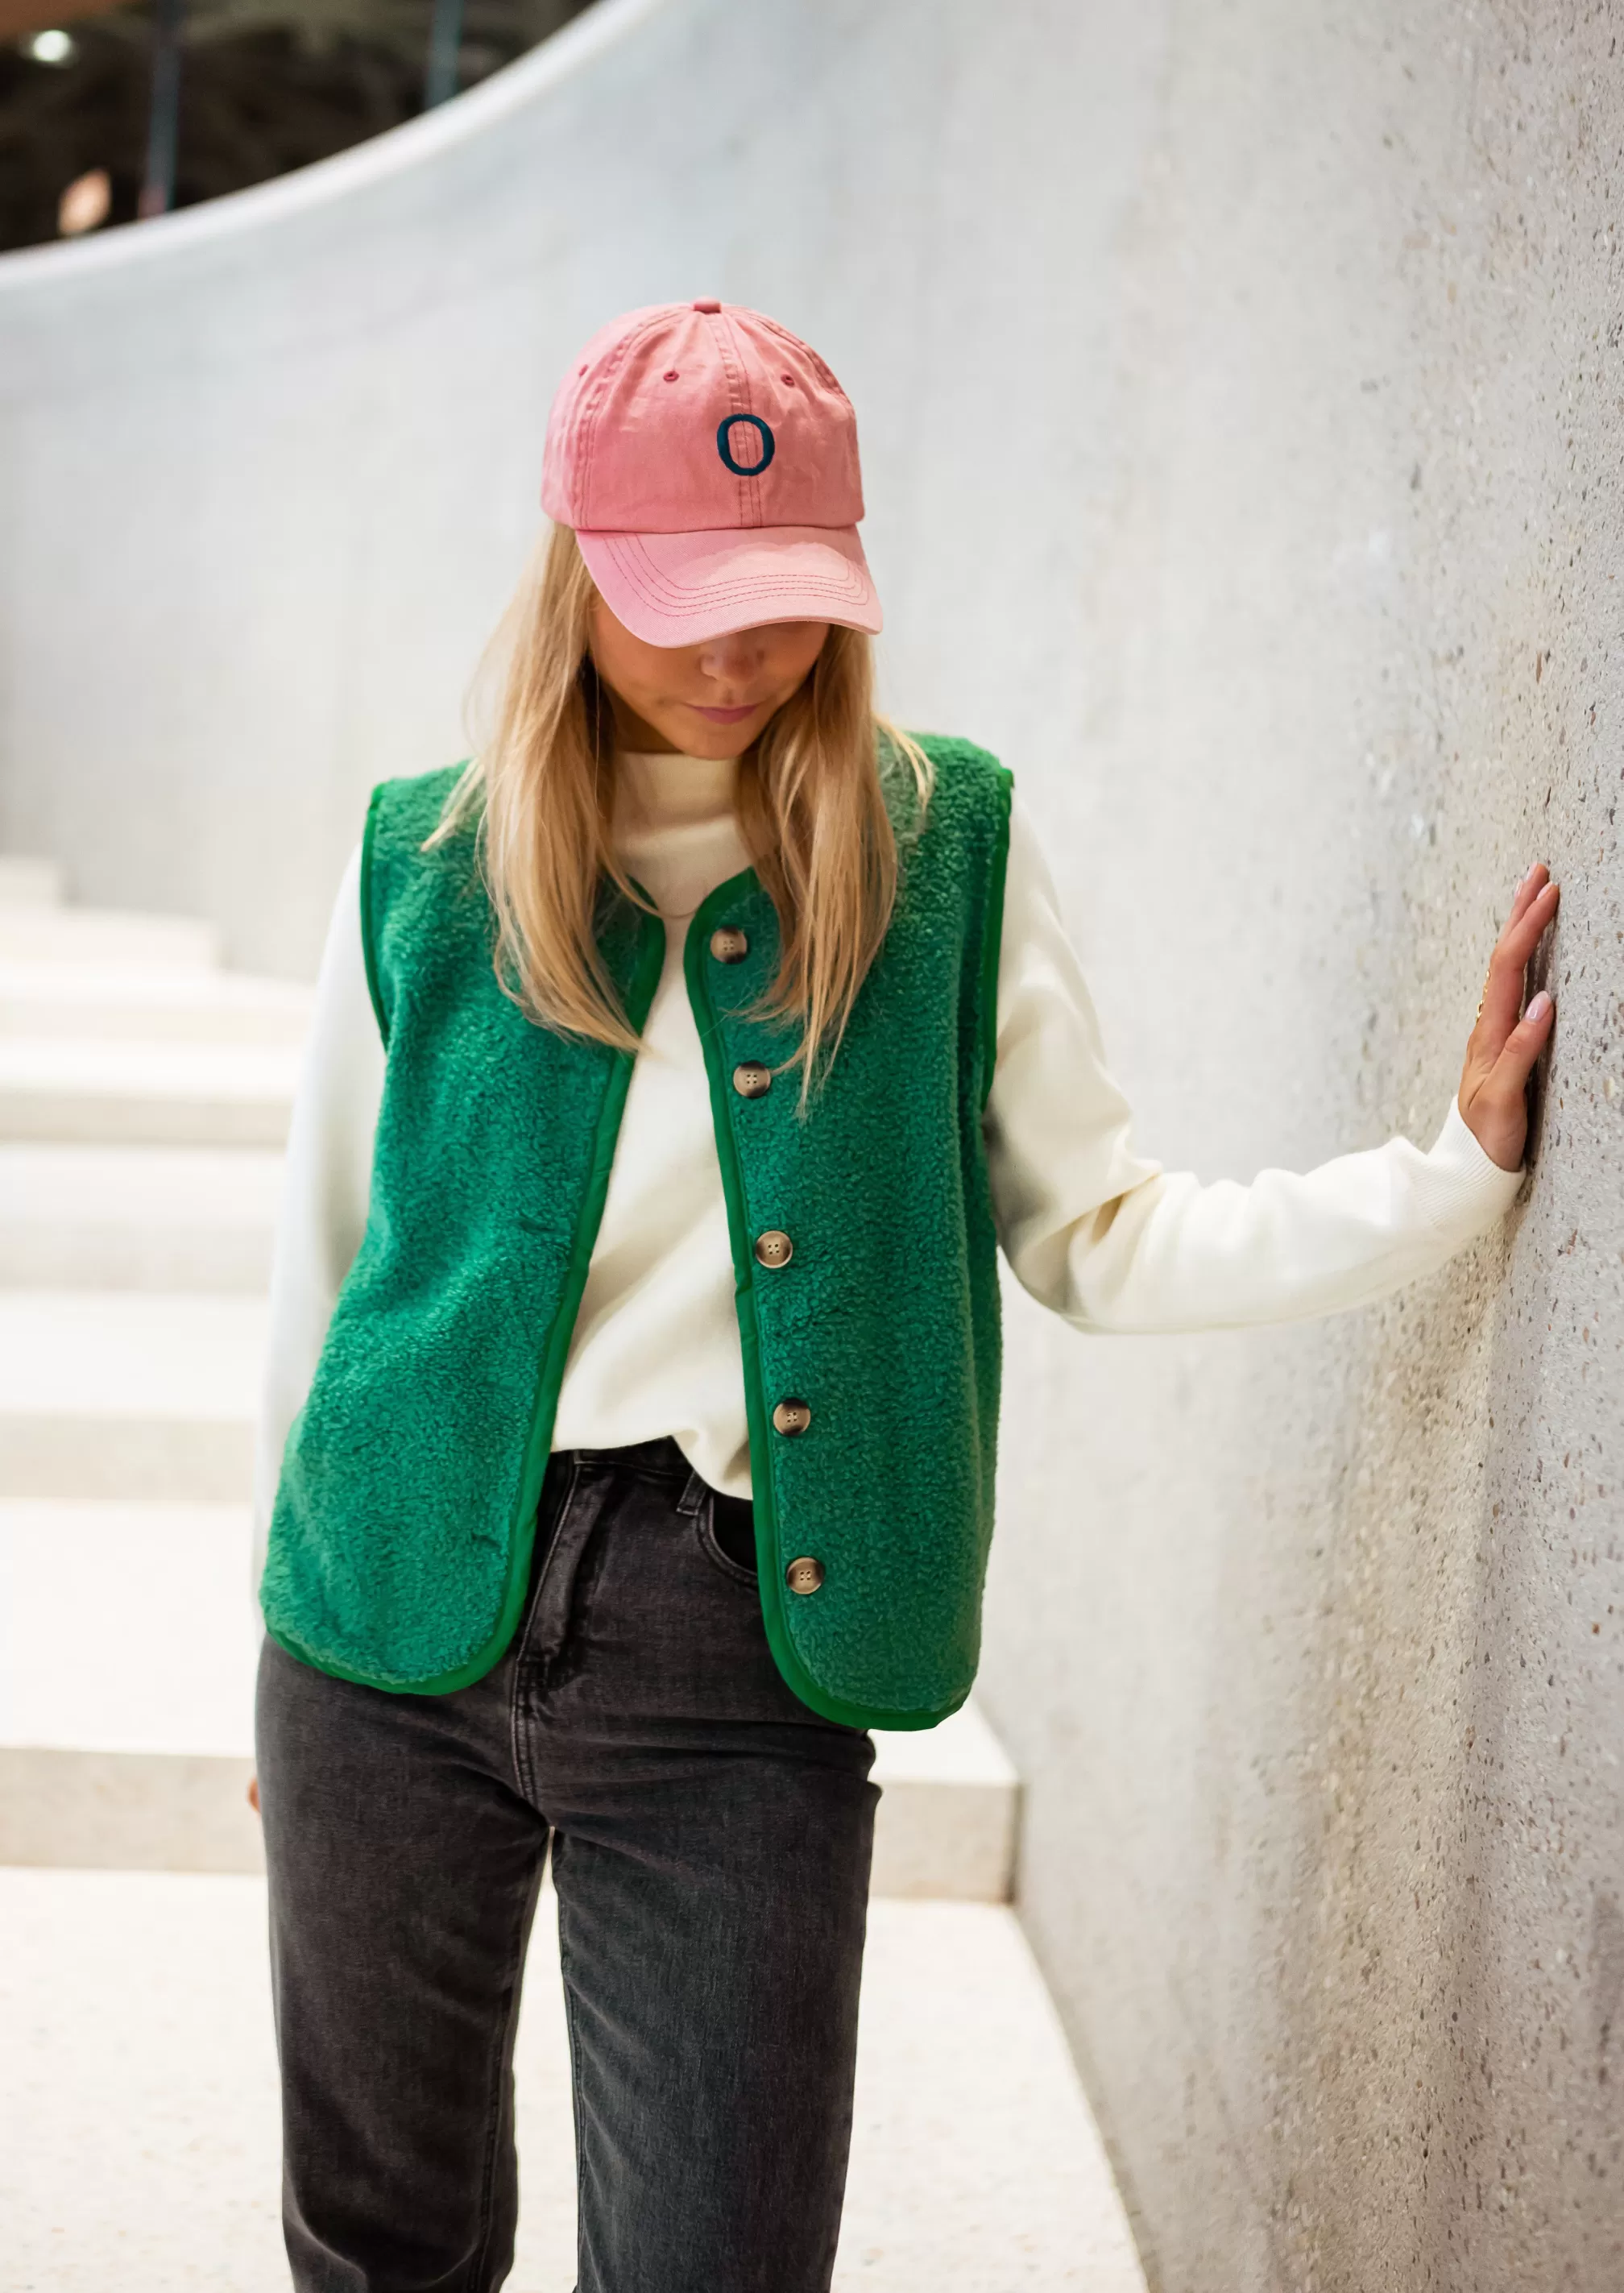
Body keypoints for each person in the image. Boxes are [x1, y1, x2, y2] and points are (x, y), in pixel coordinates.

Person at [250, 299, 1558, 2293]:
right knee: (377, 2246)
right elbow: (330, 1269)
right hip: (386, 1631)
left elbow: (1096, 1231)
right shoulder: (424, 860)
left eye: (784, 605)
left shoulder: (939, 852)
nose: (737, 657)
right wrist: (293, 1628)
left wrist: (1445, 1175)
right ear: (578, 567)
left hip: (736, 1640)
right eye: (684, 604)